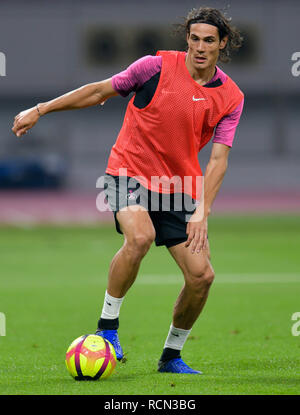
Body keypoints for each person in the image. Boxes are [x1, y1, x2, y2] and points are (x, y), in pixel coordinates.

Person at [12, 7, 244, 374]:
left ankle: (171, 357)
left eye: (209, 41)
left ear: (223, 43)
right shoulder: (154, 67)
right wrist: (41, 109)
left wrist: (202, 210)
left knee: (202, 277)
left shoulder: (230, 96)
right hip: (128, 171)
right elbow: (98, 91)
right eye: (195, 38)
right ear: (187, 38)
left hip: (177, 185)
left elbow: (218, 160)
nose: (200, 47)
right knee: (140, 238)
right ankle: (108, 329)